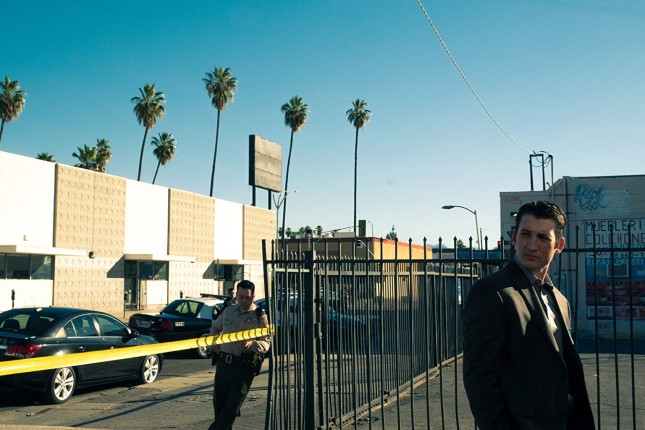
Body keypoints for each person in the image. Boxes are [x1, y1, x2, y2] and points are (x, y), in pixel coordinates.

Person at [463, 201, 594, 430]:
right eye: (525, 234)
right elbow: (480, 380)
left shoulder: (560, 300)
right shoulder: (493, 292)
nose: (531, 245)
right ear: (514, 237)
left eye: (543, 237)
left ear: (559, 245)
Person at [208, 280, 271, 430]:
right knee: (219, 407)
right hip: (224, 365)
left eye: (247, 298)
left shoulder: (259, 316)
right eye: (240, 297)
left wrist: (251, 344)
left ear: (253, 296)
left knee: (231, 410)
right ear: (236, 295)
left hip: (243, 368)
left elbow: (266, 344)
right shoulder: (228, 311)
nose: (243, 301)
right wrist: (214, 342)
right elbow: (215, 328)